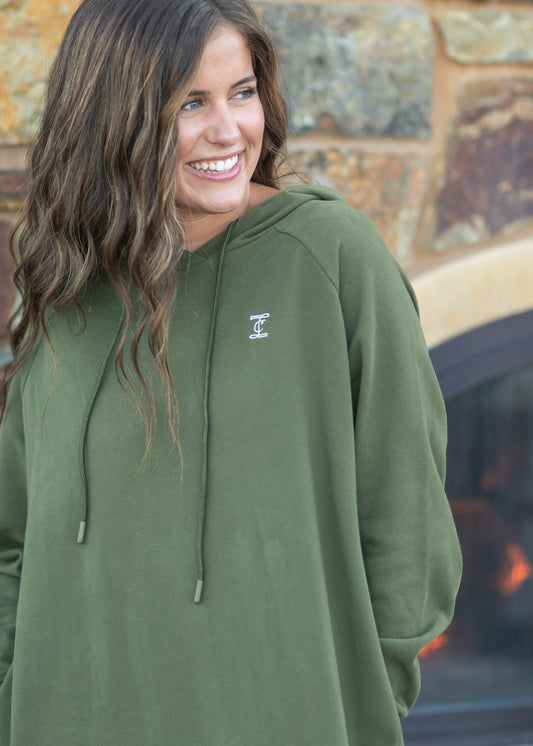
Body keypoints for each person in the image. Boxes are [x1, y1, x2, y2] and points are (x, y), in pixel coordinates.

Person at [0, 0, 462, 744]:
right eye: (190, 103)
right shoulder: (64, 284)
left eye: (241, 93)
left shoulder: (330, 258)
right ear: (111, 117)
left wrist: (364, 699)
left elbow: (407, 519)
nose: (227, 130)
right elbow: (14, 534)